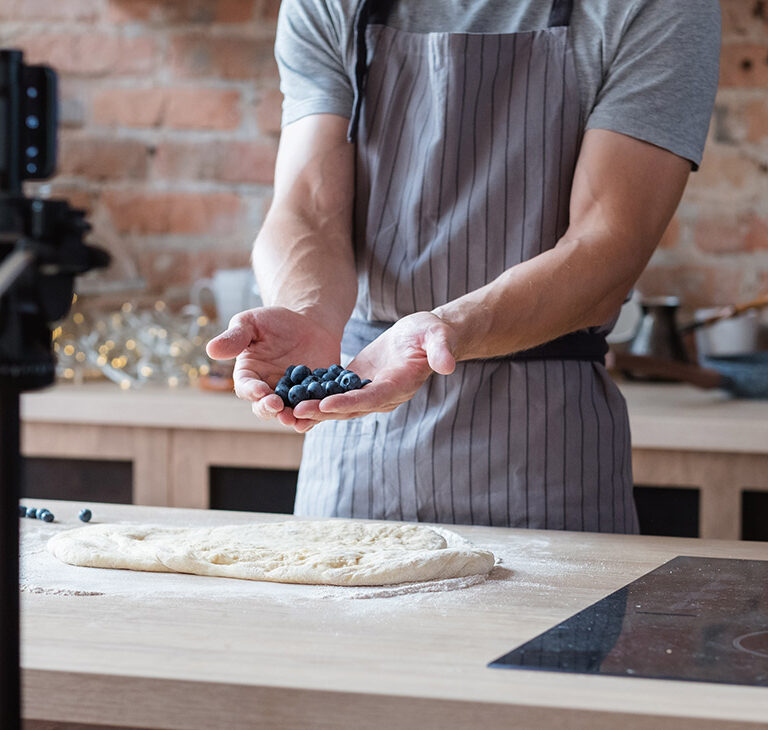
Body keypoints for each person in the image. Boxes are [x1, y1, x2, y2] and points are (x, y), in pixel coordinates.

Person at [207, 0, 721, 532]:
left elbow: (608, 245)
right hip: (354, 438)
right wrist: (308, 311)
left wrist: (448, 330)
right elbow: (307, 207)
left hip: (548, 462)